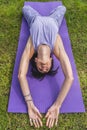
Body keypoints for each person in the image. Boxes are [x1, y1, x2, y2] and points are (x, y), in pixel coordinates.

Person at [18, 5, 74, 128]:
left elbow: (21, 75)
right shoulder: (57, 47)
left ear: (36, 60)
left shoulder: (32, 47)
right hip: (54, 20)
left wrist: (30, 104)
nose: (44, 68)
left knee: (25, 9)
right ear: (51, 59)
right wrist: (57, 105)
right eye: (47, 68)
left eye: (40, 68)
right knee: (62, 8)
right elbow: (70, 77)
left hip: (35, 19)